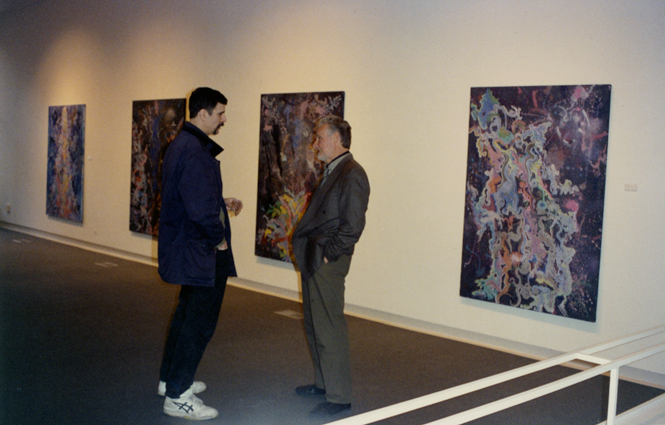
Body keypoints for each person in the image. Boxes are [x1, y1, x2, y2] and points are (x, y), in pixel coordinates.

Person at [157, 87, 242, 420]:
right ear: (203, 113)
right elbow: (199, 210)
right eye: (220, 113)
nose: (224, 119)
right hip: (201, 252)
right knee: (198, 324)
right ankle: (178, 396)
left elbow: (192, 195)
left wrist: (221, 202)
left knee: (185, 316)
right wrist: (219, 241)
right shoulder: (193, 150)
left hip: (189, 249)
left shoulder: (182, 144)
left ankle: (170, 380)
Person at [291, 115, 370, 417]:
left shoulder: (352, 173)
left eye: (320, 137)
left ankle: (338, 397)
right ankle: (323, 384)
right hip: (315, 257)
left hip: (327, 261)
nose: (315, 144)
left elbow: (352, 226)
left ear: (337, 138)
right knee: (315, 325)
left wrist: (328, 255)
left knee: (329, 327)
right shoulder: (335, 170)